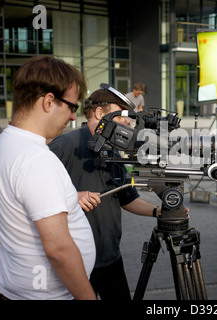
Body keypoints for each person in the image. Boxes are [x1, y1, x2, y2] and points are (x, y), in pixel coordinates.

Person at [0, 55, 96, 300]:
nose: (72, 117)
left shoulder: (2, 143)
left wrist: (62, 200)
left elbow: (14, 195)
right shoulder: (36, 159)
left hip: (11, 289)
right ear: (48, 102)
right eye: (72, 107)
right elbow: (58, 250)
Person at [49, 86, 162, 300]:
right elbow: (37, 197)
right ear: (100, 114)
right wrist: (74, 197)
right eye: (121, 115)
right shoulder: (63, 147)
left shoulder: (112, 149)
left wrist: (158, 211)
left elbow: (127, 199)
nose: (127, 122)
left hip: (111, 258)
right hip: (76, 262)